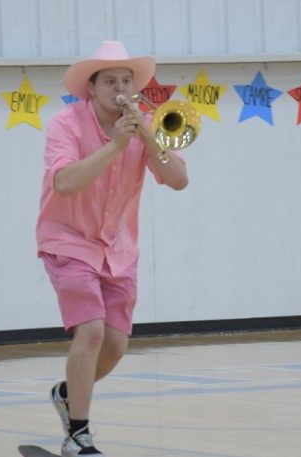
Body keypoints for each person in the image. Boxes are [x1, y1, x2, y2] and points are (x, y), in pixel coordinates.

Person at [35, 40, 188, 457]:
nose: (119, 89)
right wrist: (116, 146)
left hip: (119, 247)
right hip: (67, 240)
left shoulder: (147, 121)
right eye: (110, 82)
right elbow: (64, 183)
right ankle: (78, 435)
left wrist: (148, 138)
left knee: (116, 344)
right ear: (92, 87)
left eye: (126, 81)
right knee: (92, 330)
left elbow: (178, 180)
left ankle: (69, 395)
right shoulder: (64, 125)